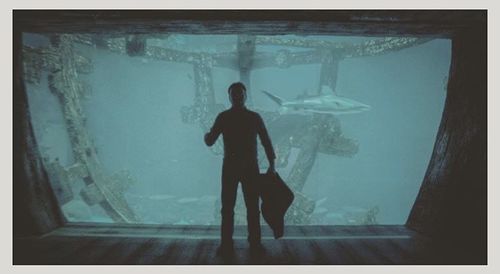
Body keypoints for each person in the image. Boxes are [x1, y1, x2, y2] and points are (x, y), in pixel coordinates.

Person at [204, 82, 276, 256]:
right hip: (251, 167)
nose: (238, 96)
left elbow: (209, 141)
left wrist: (206, 134)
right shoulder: (254, 117)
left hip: (230, 167)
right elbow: (266, 142)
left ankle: (226, 244)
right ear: (244, 97)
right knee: (252, 207)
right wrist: (272, 166)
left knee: (227, 207)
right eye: (238, 94)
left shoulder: (223, 117)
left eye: (238, 94)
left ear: (230, 97)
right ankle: (255, 244)